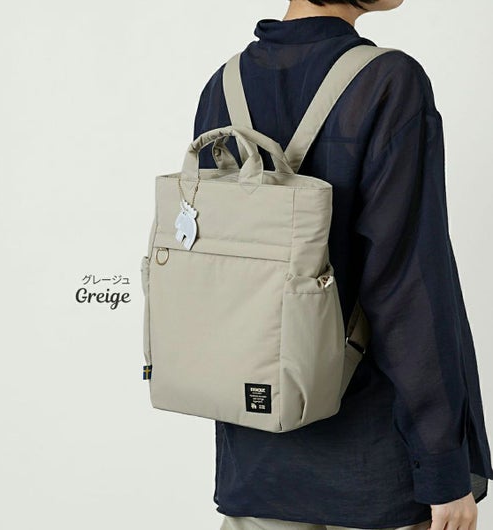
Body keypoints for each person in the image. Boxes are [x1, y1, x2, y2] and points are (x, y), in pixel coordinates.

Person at [192, 1, 493, 529]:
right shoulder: (389, 82)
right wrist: (443, 465)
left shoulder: (224, 86)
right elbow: (407, 287)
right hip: (373, 463)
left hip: (257, 453)